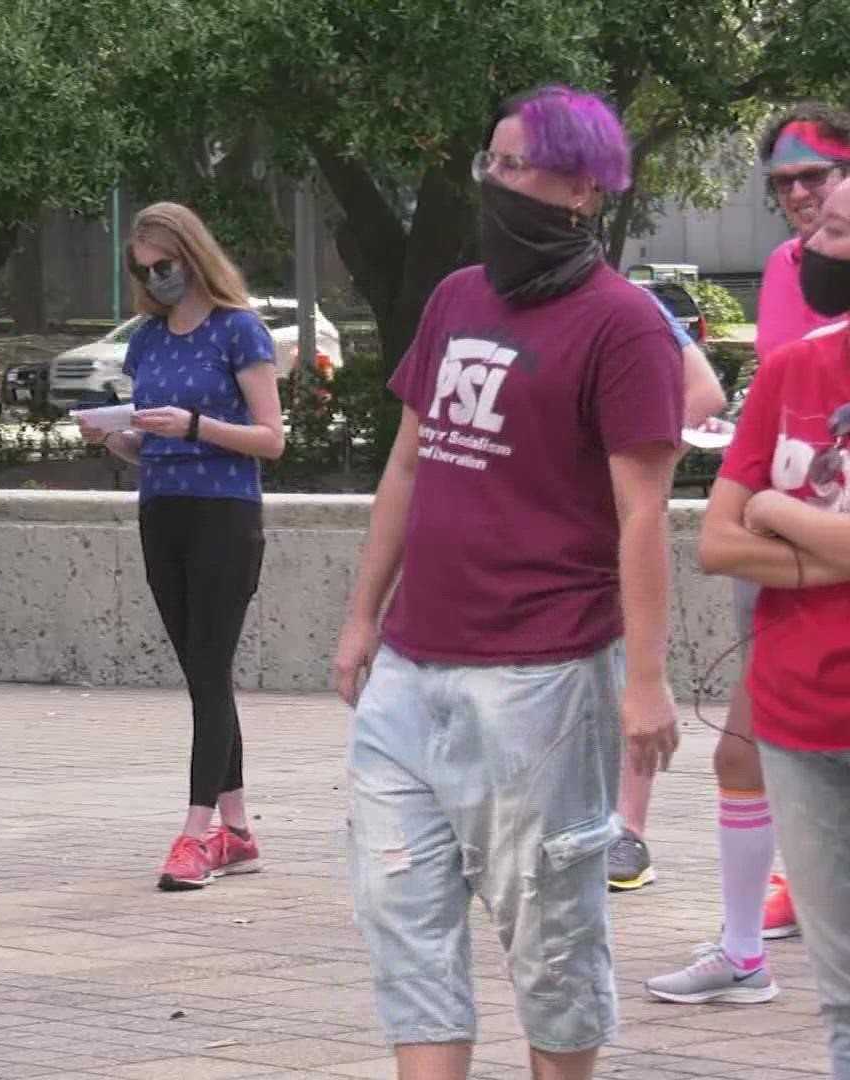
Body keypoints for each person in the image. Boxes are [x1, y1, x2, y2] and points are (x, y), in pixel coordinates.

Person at [332, 87, 683, 1079]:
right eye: (489, 163)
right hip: (410, 670)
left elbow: (644, 516)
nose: (495, 182)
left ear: (583, 185)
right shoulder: (455, 297)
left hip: (542, 679)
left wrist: (646, 680)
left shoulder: (624, 326)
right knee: (404, 921)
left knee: (552, 941)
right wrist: (363, 618)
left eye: (515, 165)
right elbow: (407, 464)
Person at [644, 102, 850, 995]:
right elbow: (770, 429)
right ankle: (747, 947)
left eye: (819, 178)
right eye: (785, 184)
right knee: (745, 746)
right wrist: (780, 515)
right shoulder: (779, 272)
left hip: (798, 537)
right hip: (788, 561)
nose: (802, 195)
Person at [76, 201, 285, 890]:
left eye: (165, 266)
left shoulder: (239, 331)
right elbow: (148, 441)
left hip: (225, 512)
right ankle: (240, 831)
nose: (157, 280)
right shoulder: (147, 339)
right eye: (145, 271)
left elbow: (271, 438)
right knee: (204, 674)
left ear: (192, 257)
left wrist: (196, 425)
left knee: (209, 667)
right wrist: (115, 436)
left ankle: (196, 835)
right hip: (161, 509)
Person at [695, 176, 850, 1070]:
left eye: (831, 232)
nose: (806, 249)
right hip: (800, 722)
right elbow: (717, 540)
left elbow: (752, 519)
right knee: (842, 993)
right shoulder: (794, 369)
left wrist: (783, 517)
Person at [605, 287, 728, 892]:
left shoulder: (628, 305)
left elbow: (705, 394)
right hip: (529, 531)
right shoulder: (481, 301)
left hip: (612, 526)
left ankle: (628, 830)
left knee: (634, 662)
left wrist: (641, 462)